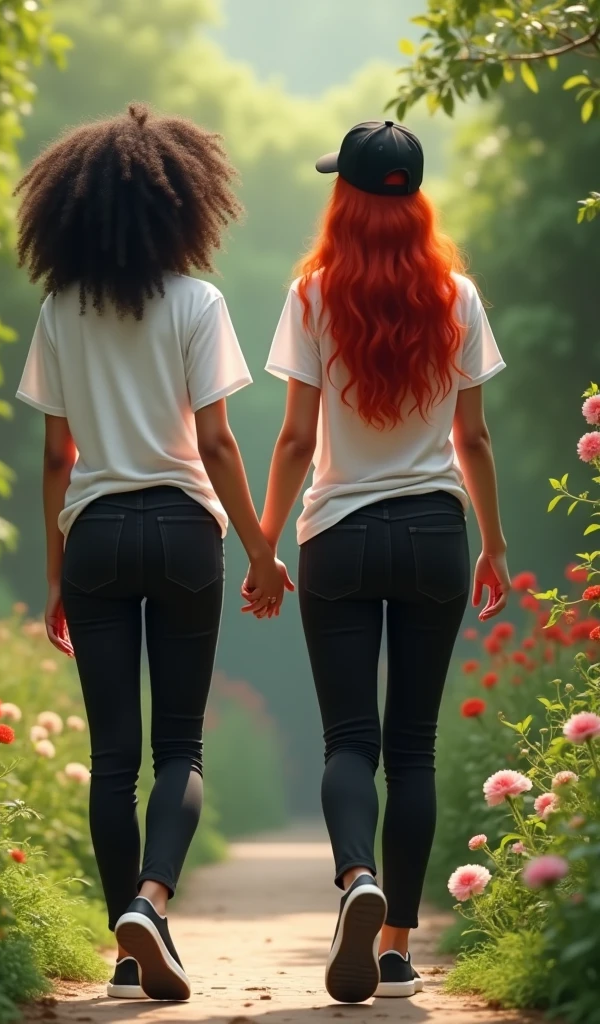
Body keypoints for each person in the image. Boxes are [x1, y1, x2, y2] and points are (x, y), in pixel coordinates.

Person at [14, 103, 291, 1003]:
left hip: (92, 536)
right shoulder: (198, 302)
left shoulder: (59, 307)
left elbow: (57, 455)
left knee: (113, 756)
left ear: (74, 211)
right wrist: (259, 550)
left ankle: (129, 948)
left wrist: (55, 574)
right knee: (181, 747)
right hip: (180, 531)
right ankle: (150, 901)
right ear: (181, 205)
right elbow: (215, 445)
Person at [244, 120, 510, 1002]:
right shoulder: (458, 297)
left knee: (350, 739)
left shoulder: (315, 294)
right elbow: (472, 437)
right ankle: (394, 943)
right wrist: (496, 545)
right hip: (437, 533)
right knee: (416, 747)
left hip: (341, 537)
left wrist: (266, 543)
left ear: (347, 198)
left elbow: (294, 436)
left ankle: (357, 877)